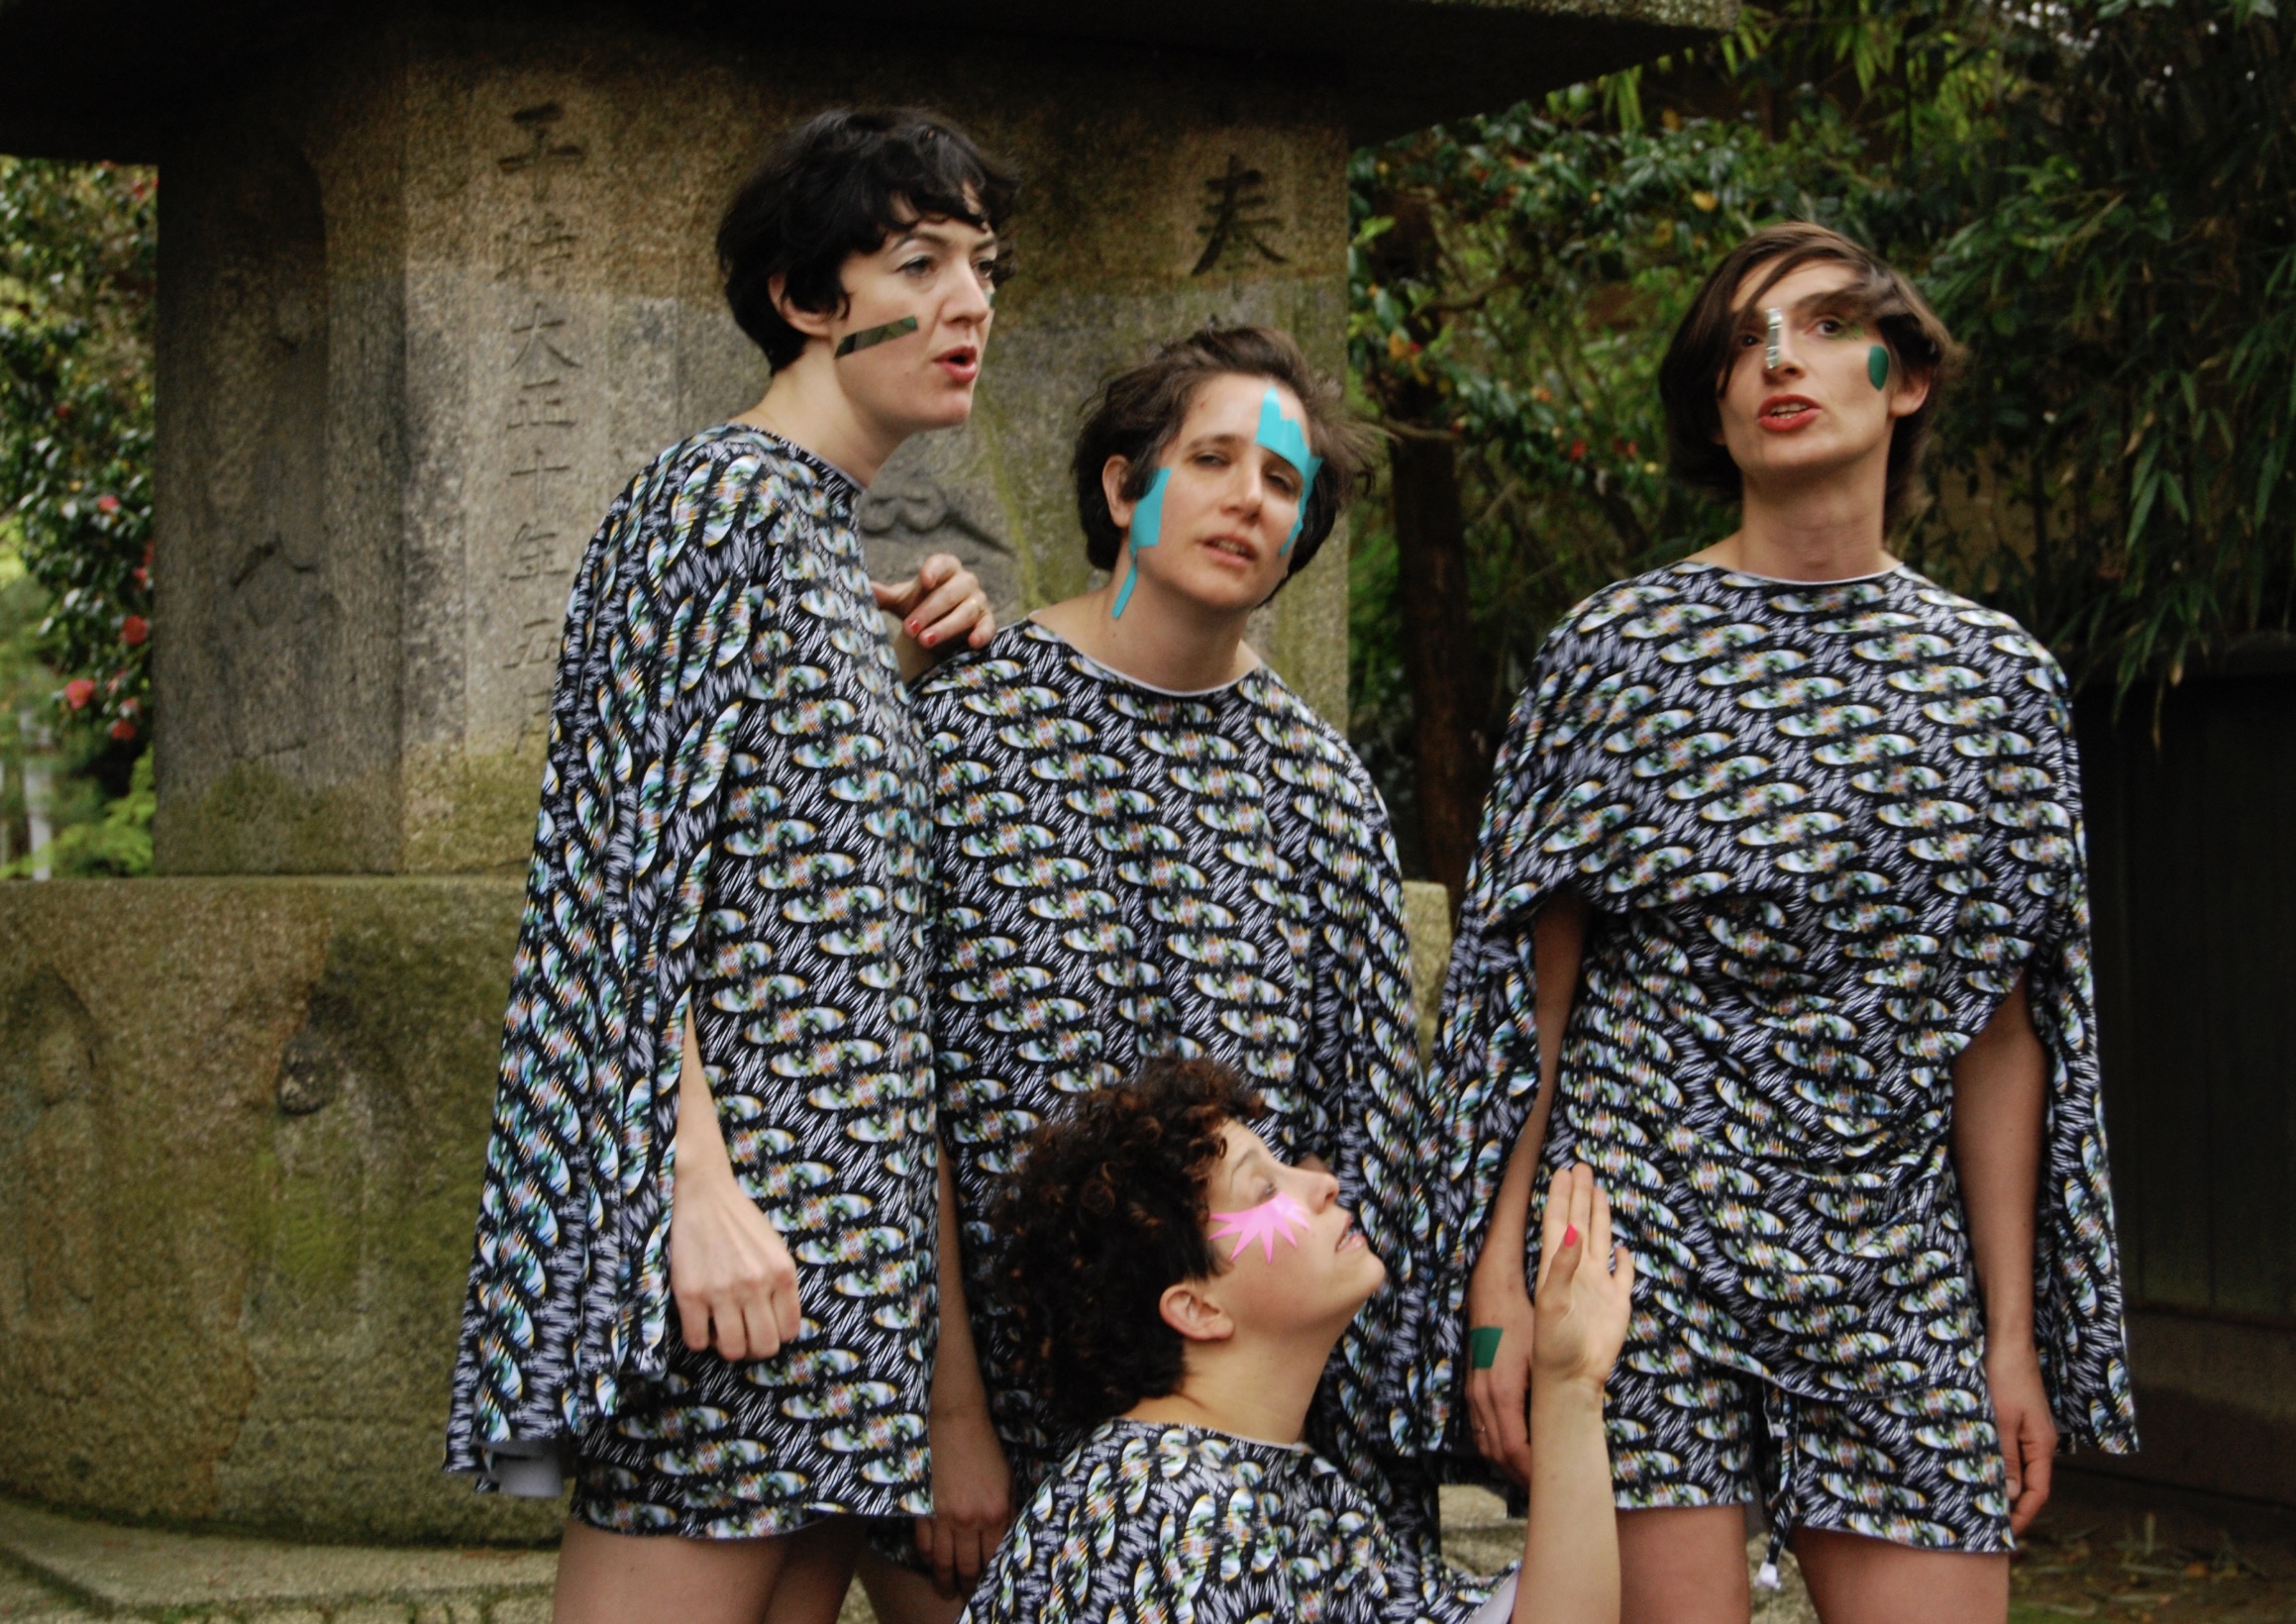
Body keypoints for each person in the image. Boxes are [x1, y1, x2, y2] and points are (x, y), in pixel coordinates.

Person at [1422, 222, 2139, 1624]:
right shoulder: (1616, 652)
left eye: (1821, 326)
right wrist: (1494, 1275)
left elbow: (2001, 1027)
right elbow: (1525, 996)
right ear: (1713, 410)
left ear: (1904, 376)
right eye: (1742, 344)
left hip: (1889, 1252)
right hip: (1636, 1249)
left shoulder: (1997, 682)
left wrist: (2005, 1338)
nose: (1778, 360)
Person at [443, 107, 1015, 1624]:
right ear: (805, 297)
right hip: (734, 1252)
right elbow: (610, 887)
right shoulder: (711, 504)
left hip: (842, 1268)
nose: (968, 303)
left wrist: (892, 677)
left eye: (983, 266)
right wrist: (688, 1187)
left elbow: (791, 866)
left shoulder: (823, 539)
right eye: (919, 264)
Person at [860, 327, 1436, 1616]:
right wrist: (942, 1414)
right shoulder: (962, 729)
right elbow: (892, 1103)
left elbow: (1355, 1141)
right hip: (980, 1424)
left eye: (1282, 482)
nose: (1247, 499)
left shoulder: (1321, 792)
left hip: (1234, 1459)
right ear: (1123, 487)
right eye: (1212, 458)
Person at [965, 1058, 1634, 1624]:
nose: (1322, 1183)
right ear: (1198, 1308)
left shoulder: (1292, 1488)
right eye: (1265, 1188)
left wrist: (1571, 1386)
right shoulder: (1176, 1506)